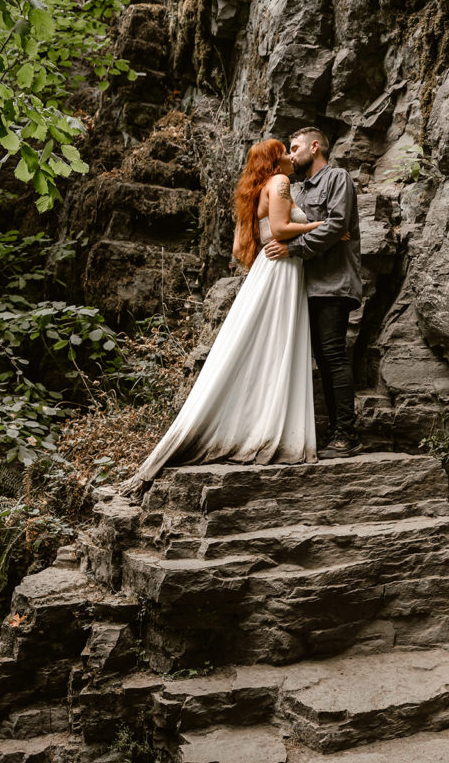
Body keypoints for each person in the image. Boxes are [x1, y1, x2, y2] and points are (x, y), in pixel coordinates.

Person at [116, 138, 321, 498]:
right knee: (276, 343)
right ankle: (269, 426)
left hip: (271, 270)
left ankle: (262, 421)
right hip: (282, 270)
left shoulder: (261, 188)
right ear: (276, 160)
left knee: (267, 344)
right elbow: (282, 229)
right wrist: (317, 227)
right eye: (285, 152)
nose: (292, 156)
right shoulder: (280, 182)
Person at [264, 127, 363, 459]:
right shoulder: (297, 190)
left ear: (315, 146)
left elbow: (336, 226)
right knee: (320, 359)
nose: (291, 154)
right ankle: (331, 430)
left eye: (295, 147)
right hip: (304, 285)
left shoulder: (338, 179)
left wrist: (294, 248)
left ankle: (346, 434)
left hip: (333, 283)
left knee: (333, 355)